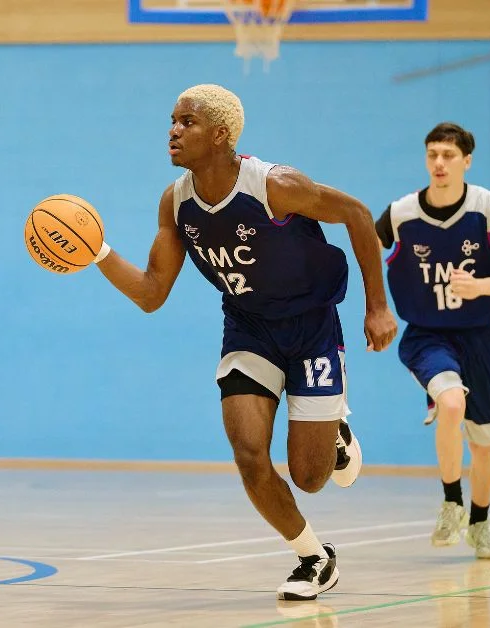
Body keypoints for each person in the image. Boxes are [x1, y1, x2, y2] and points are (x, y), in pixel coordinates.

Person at [89, 83, 397, 600]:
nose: (173, 131)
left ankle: (335, 435)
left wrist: (377, 306)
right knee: (249, 454)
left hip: (311, 326)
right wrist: (95, 251)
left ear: (220, 134)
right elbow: (150, 293)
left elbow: (359, 216)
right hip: (249, 328)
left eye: (186, 122)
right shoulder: (176, 203)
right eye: (172, 120)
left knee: (310, 477)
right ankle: (313, 557)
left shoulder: (276, 185)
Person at [375, 122, 490, 559]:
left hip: (481, 336)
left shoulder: (488, 208)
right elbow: (368, 255)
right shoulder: (401, 214)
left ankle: (479, 522)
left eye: (448, 155)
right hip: (427, 335)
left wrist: (481, 286)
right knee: (451, 403)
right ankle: (450, 501)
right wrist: (376, 310)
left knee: (484, 442)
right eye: (432, 154)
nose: (439, 163)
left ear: (466, 161)